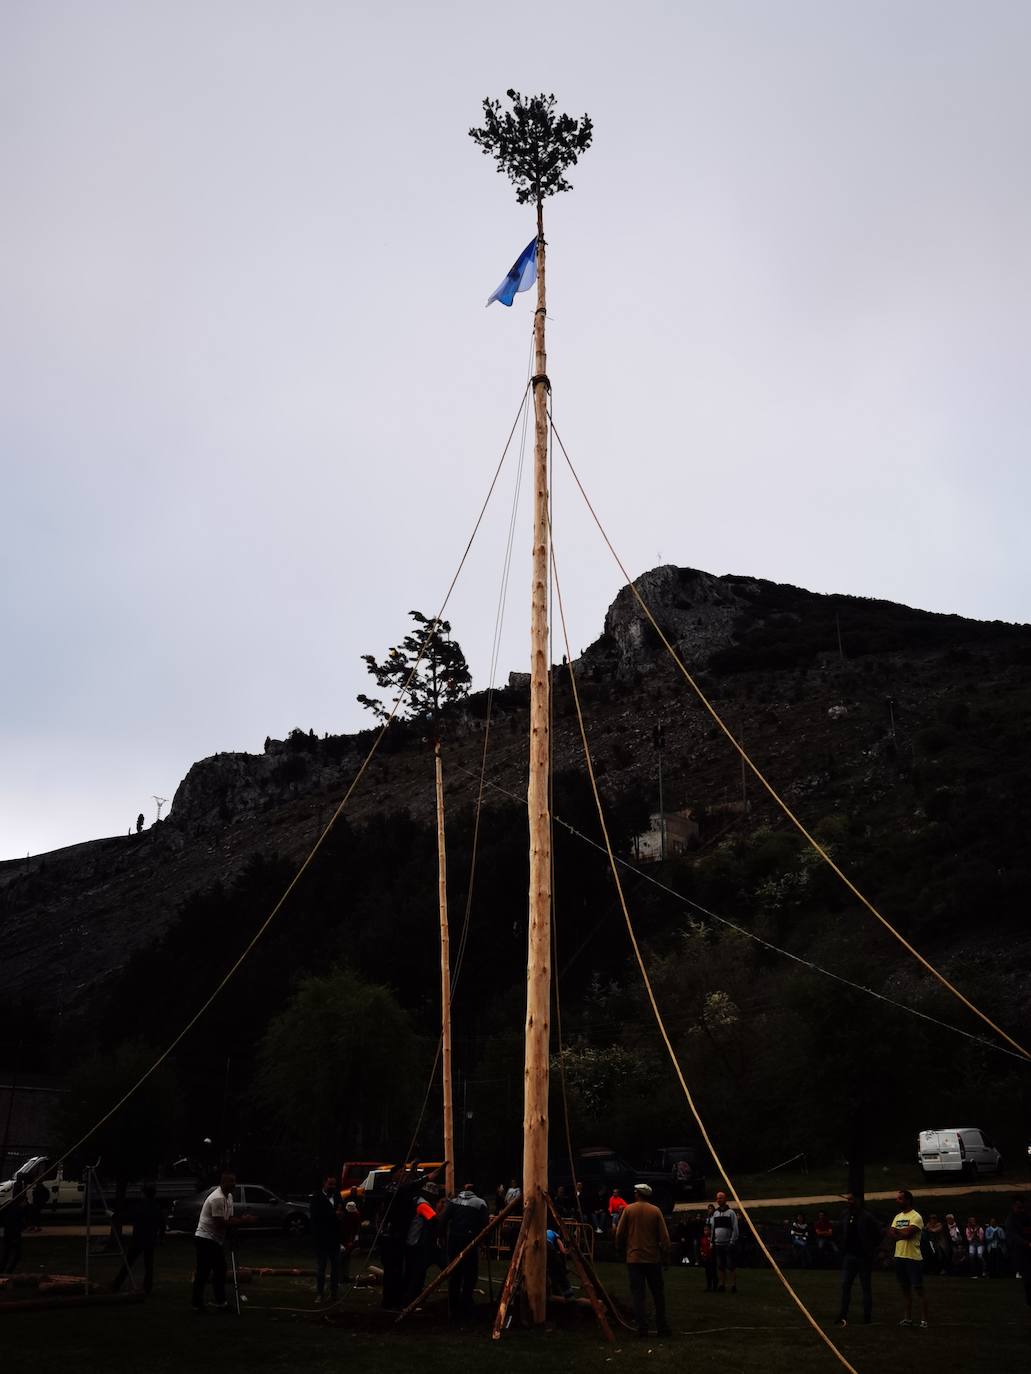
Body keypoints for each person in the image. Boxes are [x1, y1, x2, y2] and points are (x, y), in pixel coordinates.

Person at [615, 1183, 672, 1338]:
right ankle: (662, 1327)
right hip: (653, 1259)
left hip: (634, 1259)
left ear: (638, 1194)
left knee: (638, 1295)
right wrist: (666, 1256)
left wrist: (620, 1249)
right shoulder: (655, 1211)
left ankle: (642, 1329)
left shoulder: (628, 1209)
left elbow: (619, 1233)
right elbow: (665, 1238)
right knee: (658, 1294)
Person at [191, 1170, 252, 1312]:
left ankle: (219, 1302)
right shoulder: (217, 1198)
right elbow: (221, 1223)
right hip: (205, 1238)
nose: (233, 1184)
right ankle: (197, 1303)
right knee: (204, 1271)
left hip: (214, 1239)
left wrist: (241, 1221)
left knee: (220, 1270)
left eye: (234, 1180)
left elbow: (229, 1219)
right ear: (222, 1182)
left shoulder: (229, 1197)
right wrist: (243, 1221)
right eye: (230, 1181)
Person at [443, 1181, 488, 1320]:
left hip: (454, 1240)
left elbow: (444, 1219)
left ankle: (453, 1304)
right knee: (470, 1274)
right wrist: (484, 1243)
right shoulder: (480, 1203)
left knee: (454, 1273)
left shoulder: (454, 1201)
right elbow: (485, 1225)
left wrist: (440, 1236)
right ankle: (466, 1301)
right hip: (470, 1242)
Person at [834, 1193, 880, 1326]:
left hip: (863, 1257)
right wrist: (841, 1244)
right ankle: (843, 1314)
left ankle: (867, 1316)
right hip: (849, 1256)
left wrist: (870, 1248)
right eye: (848, 1199)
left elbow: (878, 1233)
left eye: (851, 1199)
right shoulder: (845, 1215)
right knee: (845, 1286)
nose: (848, 1202)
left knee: (865, 1287)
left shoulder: (866, 1216)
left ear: (858, 1201)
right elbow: (839, 1231)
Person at [112, 1183, 164, 1294]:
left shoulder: (140, 1206)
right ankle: (147, 1288)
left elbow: (128, 1217)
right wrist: (160, 1237)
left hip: (138, 1240)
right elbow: (162, 1224)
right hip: (150, 1240)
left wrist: (113, 1215)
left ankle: (116, 1284)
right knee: (149, 1265)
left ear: (144, 1194)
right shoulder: (156, 1206)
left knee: (128, 1263)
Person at [888, 1188, 928, 1328]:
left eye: (899, 1198)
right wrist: (901, 1232)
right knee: (905, 1289)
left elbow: (908, 1234)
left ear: (908, 1200)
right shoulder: (897, 1217)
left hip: (913, 1258)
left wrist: (899, 1232)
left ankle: (924, 1320)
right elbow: (891, 1233)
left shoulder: (916, 1216)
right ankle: (908, 1318)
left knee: (918, 1289)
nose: (897, 1200)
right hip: (899, 1256)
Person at [403, 1179, 441, 1307]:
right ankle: (411, 1299)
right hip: (416, 1242)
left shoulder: (416, 1200)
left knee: (416, 1272)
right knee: (416, 1273)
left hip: (414, 1241)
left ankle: (413, 1297)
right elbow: (434, 1218)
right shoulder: (423, 1204)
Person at [309, 1174, 341, 1304]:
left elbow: (341, 1210)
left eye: (334, 1184)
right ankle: (320, 1293)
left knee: (336, 1268)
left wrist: (342, 1213)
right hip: (321, 1239)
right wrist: (334, 1214)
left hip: (334, 1239)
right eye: (330, 1184)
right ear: (324, 1183)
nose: (332, 1187)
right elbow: (317, 1216)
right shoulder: (317, 1197)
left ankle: (334, 1293)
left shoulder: (337, 1196)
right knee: (321, 1268)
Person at [1004, 1197, 1031, 1307]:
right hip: (1021, 1252)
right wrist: (1026, 1243)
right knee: (1028, 1279)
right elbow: (1013, 1235)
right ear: (1013, 1206)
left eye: (1021, 1207)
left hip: (1027, 1250)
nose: (1020, 1209)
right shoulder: (1010, 1220)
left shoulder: (1026, 1216)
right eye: (1018, 1207)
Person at [710, 1191, 738, 1292]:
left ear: (725, 1199)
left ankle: (733, 1285)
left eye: (721, 1198)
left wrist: (732, 1241)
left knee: (731, 1265)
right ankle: (722, 1284)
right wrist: (712, 1242)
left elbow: (735, 1228)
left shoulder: (731, 1213)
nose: (719, 1200)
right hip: (718, 1244)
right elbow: (713, 1228)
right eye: (717, 1198)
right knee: (720, 1266)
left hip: (728, 1243)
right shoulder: (715, 1213)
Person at [546, 1226, 574, 1299]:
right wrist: (570, 1249)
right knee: (558, 1270)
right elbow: (563, 1251)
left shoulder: (544, 1231)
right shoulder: (555, 1234)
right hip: (548, 1246)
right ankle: (567, 1291)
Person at [1, 1192, 25, 1273]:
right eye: (24, 1202)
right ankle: (6, 1271)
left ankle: (4, 1270)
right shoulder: (14, 1211)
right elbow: (12, 1224)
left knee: (7, 1254)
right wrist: (15, 1237)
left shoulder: (15, 1209)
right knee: (14, 1254)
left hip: (10, 1235)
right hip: (12, 1236)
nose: (25, 1204)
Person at [338, 1200, 361, 1281]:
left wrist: (355, 1239)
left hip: (348, 1240)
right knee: (342, 1259)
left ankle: (345, 1276)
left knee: (346, 1259)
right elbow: (340, 1230)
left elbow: (356, 1228)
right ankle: (341, 1277)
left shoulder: (355, 1215)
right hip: (343, 1240)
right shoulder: (344, 1216)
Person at [700, 1220, 718, 1292]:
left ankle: (714, 1286)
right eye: (704, 1230)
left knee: (713, 1272)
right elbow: (701, 1247)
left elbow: (712, 1248)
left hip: (711, 1258)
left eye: (707, 1230)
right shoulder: (703, 1239)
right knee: (707, 1272)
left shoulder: (712, 1239)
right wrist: (702, 1252)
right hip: (706, 1258)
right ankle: (709, 1286)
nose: (705, 1231)